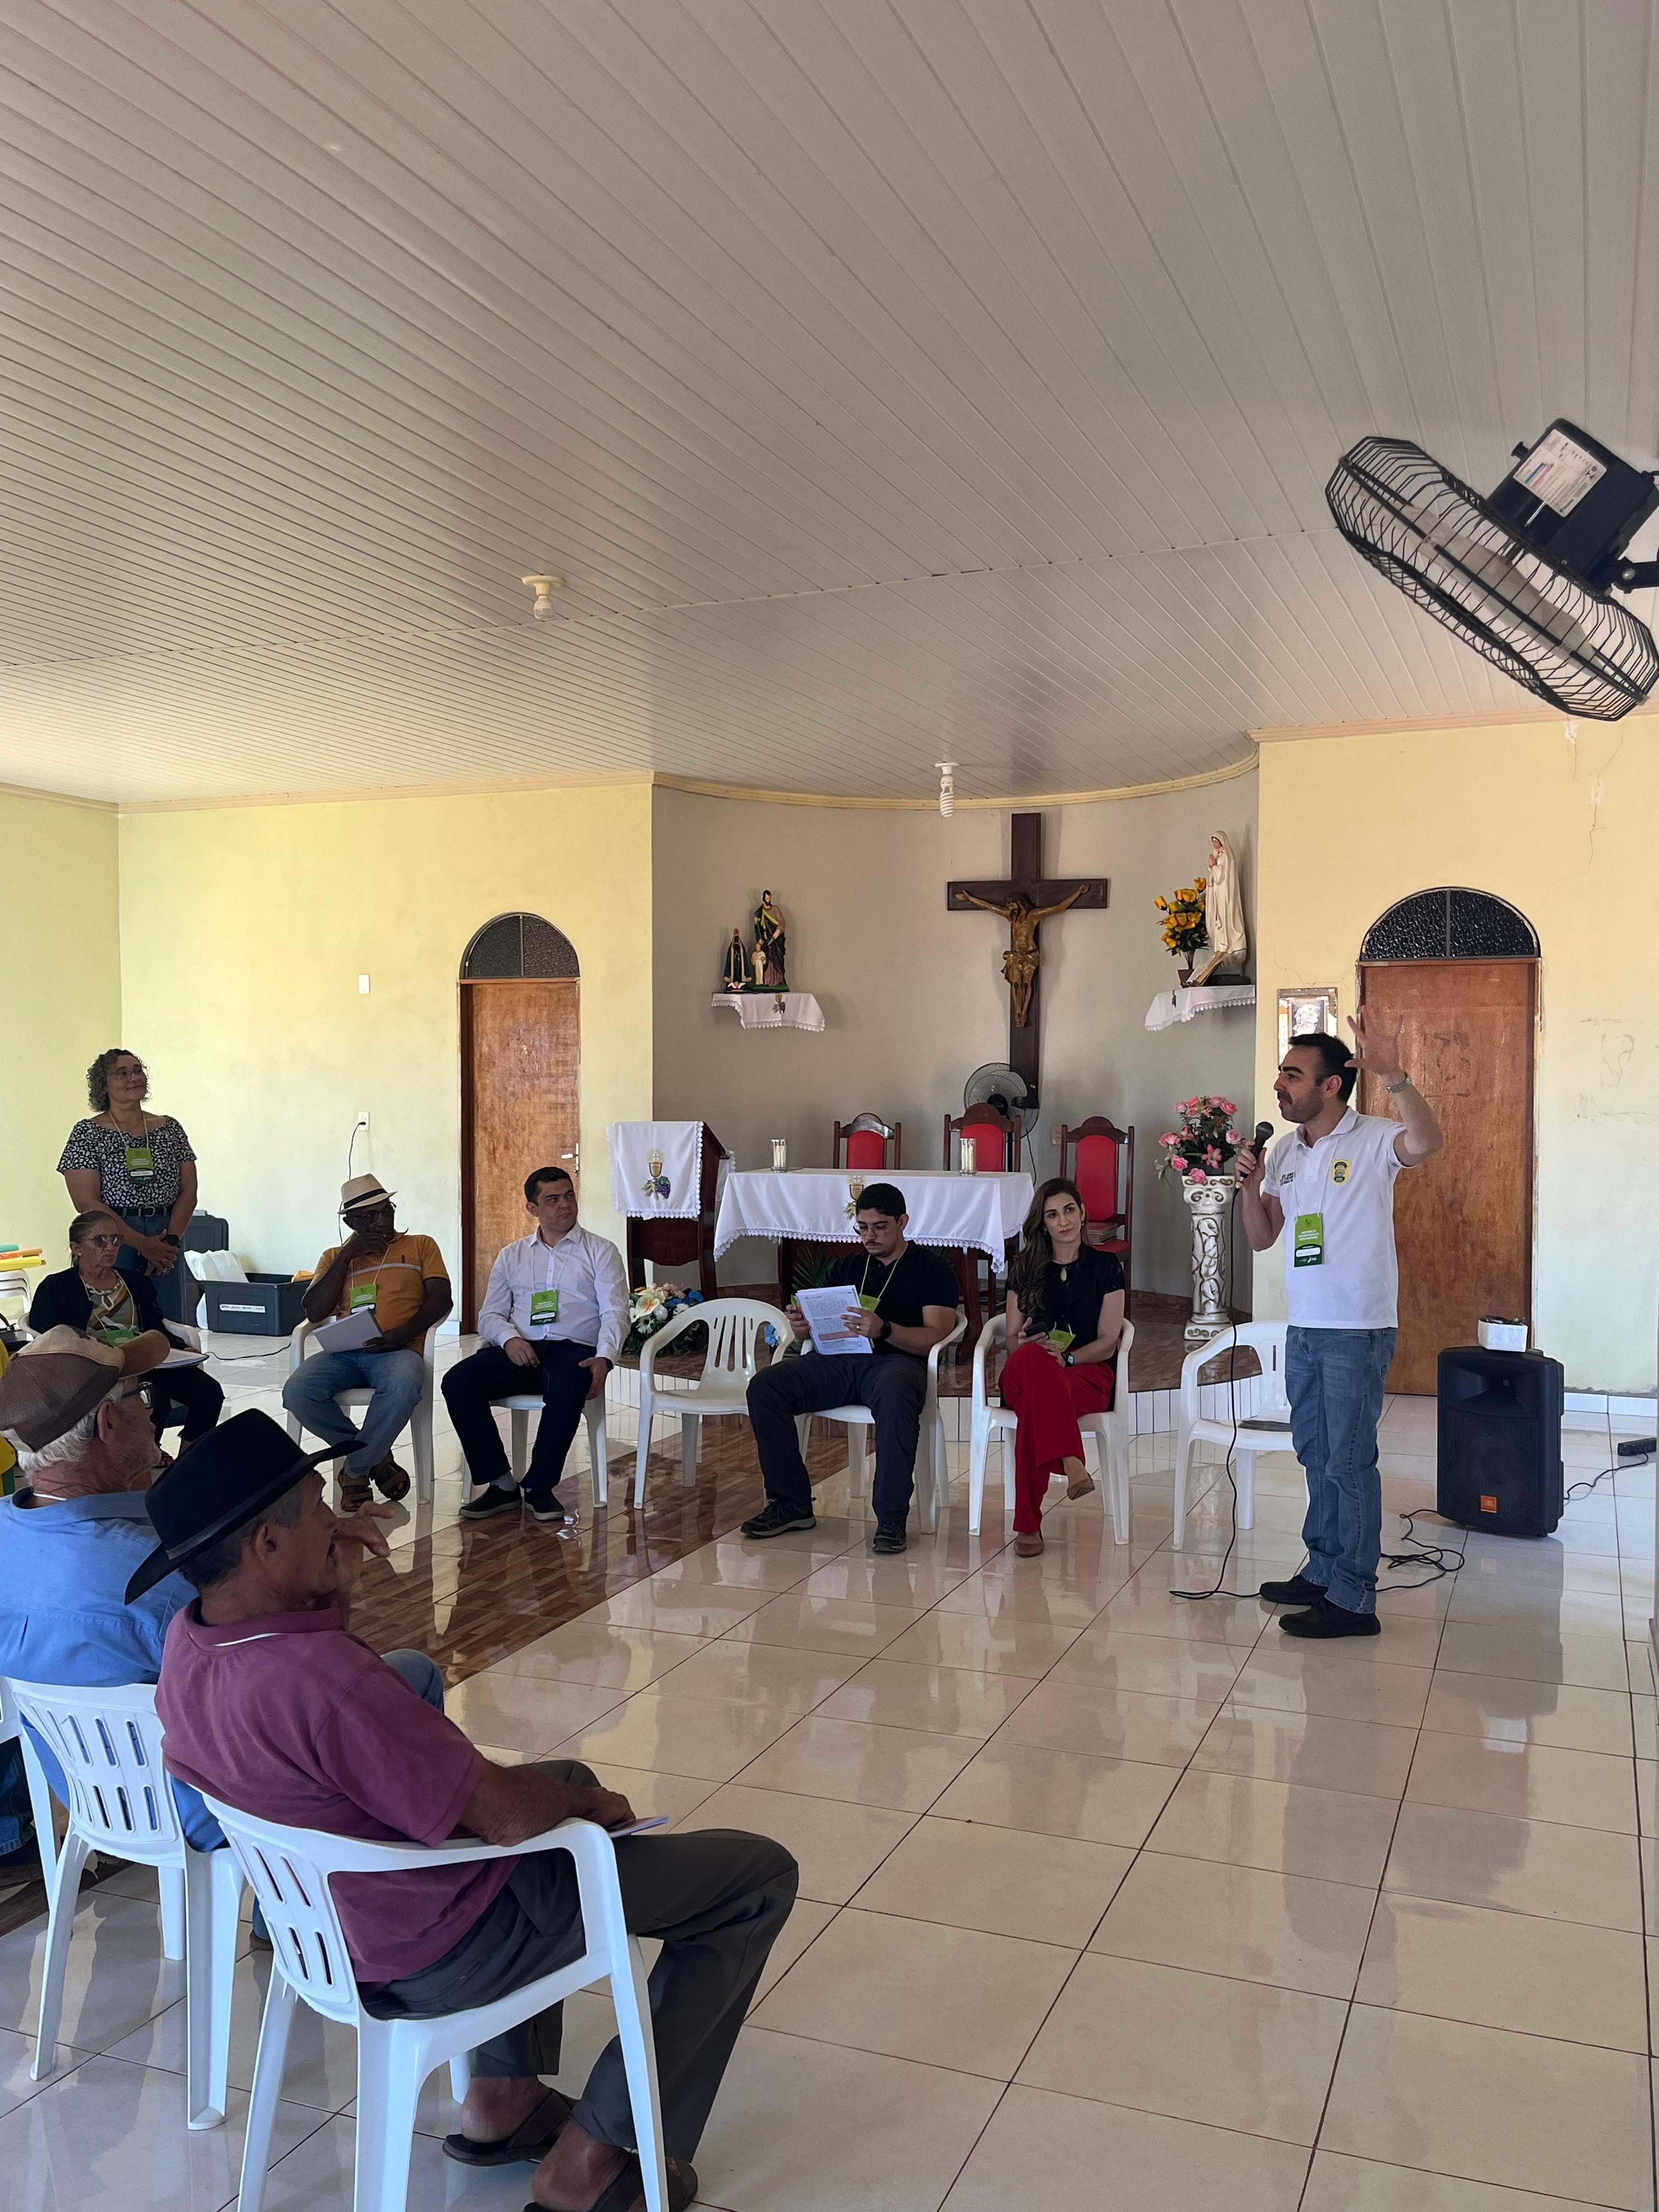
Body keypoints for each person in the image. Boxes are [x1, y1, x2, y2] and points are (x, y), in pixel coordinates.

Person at [151, 1413, 796, 2212]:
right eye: (318, 1509)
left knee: (563, 1772)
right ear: (267, 1544)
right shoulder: (320, 1681)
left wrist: (338, 1597)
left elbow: (339, 1740)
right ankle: (591, 2161)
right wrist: (584, 1807)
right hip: (442, 1942)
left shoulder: (190, 1648)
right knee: (756, 1879)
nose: (340, 1520)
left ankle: (503, 2099)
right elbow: (502, 1819)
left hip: (328, 1929)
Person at [0, 1341, 443, 1868]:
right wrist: (330, 1580)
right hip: (201, 1806)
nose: (153, 1409)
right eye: (142, 1395)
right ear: (107, 1425)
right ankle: (342, 1901)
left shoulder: (9, 1529)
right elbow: (305, 1683)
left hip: (90, 1794)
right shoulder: (155, 1575)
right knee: (408, 1677)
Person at [1234, 1018, 1443, 1639]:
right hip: (1305, 1327)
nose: (1278, 1083)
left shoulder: (1375, 1138)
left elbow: (1428, 1144)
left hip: (1357, 1328)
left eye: (1292, 1074)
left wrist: (1396, 1076)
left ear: (1330, 1087)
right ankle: (1324, 1571)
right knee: (1316, 1455)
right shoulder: (1288, 1151)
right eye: (1282, 1072)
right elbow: (1264, 1236)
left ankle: (1354, 1599)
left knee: (1349, 1464)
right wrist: (1250, 1187)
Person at [740, 1182, 960, 1555]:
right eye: (862, 1227)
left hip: (896, 1363)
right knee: (766, 1388)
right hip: (838, 1361)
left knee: (894, 1397)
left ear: (903, 1221)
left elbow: (935, 1336)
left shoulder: (931, 1268)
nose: (869, 1236)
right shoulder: (846, 1267)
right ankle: (791, 1504)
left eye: (880, 1227)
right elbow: (818, 1317)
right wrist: (803, 1326)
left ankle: (891, 1519)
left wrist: (885, 1329)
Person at [445, 1166, 628, 1526]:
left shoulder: (600, 1251)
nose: (565, 1206)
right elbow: (491, 1314)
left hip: (573, 1349)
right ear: (533, 1208)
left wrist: (604, 1359)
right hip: (519, 1349)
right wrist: (509, 1339)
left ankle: (540, 1487)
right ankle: (501, 1484)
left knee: (570, 1384)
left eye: (569, 1196)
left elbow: (616, 1312)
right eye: (553, 1199)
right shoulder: (512, 1255)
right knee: (457, 1382)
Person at [281, 1175, 452, 1510]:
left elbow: (441, 1301)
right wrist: (347, 1257)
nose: (382, 1221)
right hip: (344, 1354)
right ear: (351, 1222)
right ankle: (375, 1459)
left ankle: (356, 1470)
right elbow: (314, 1310)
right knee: (297, 1393)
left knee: (403, 1386)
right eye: (370, 1217)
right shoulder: (334, 1256)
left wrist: (401, 1336)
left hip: (398, 1350)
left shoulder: (420, 1245)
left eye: (386, 1211)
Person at [996, 1178, 1126, 1557]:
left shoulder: (1106, 1266)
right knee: (1034, 1359)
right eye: (1053, 1215)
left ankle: (1028, 1526)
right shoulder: (1025, 1268)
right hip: (1028, 1369)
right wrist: (1027, 1347)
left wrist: (1067, 1358)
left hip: (1086, 1372)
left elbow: (1108, 1341)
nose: (1063, 1221)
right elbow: (1010, 1340)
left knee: (1036, 1407)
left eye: (1069, 1210)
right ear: (1044, 1224)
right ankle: (1071, 1460)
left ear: (1083, 1214)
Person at [30, 1210, 224, 1453]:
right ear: (77, 1248)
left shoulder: (133, 1281)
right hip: (92, 1368)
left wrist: (179, 1346)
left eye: (115, 1240)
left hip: (141, 1360)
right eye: (100, 1240)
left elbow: (154, 1323)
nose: (110, 1247)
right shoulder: (57, 1287)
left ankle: (185, 1461)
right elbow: (46, 1336)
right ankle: (148, 1452)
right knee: (155, 1397)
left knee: (210, 1393)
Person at [58, 1047, 198, 1322]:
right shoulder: (86, 1133)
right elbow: (86, 1202)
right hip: (112, 1236)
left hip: (166, 1234)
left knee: (169, 1321)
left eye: (137, 1070)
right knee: (123, 1320)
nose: (133, 1077)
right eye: (122, 1073)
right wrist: (142, 1244)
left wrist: (168, 1244)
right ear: (104, 1085)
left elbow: (188, 1191)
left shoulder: (170, 1128)